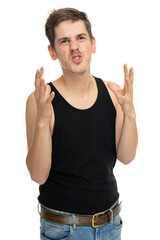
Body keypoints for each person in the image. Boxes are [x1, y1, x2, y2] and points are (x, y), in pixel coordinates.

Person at [25, 7, 138, 240]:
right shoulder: (42, 100)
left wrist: (130, 113)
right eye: (64, 41)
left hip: (110, 224)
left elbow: (126, 157)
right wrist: (42, 121)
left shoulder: (111, 92)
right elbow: (38, 175)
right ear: (53, 51)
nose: (74, 46)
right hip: (64, 229)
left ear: (92, 44)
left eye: (80, 38)